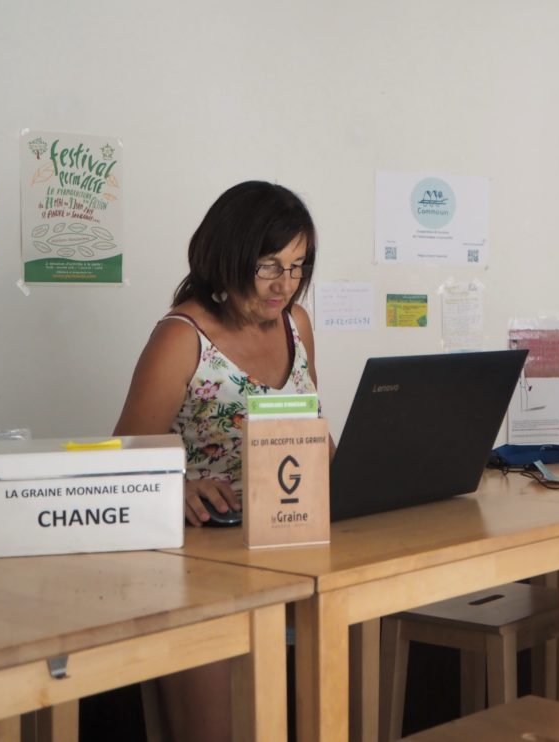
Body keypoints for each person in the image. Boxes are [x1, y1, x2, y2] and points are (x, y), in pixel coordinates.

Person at [114, 180, 324, 742]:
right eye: (268, 266)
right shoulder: (181, 337)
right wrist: (176, 483)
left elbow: (310, 430)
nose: (285, 285)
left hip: (290, 541)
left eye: (297, 266)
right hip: (203, 566)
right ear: (226, 258)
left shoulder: (295, 325)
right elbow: (124, 460)